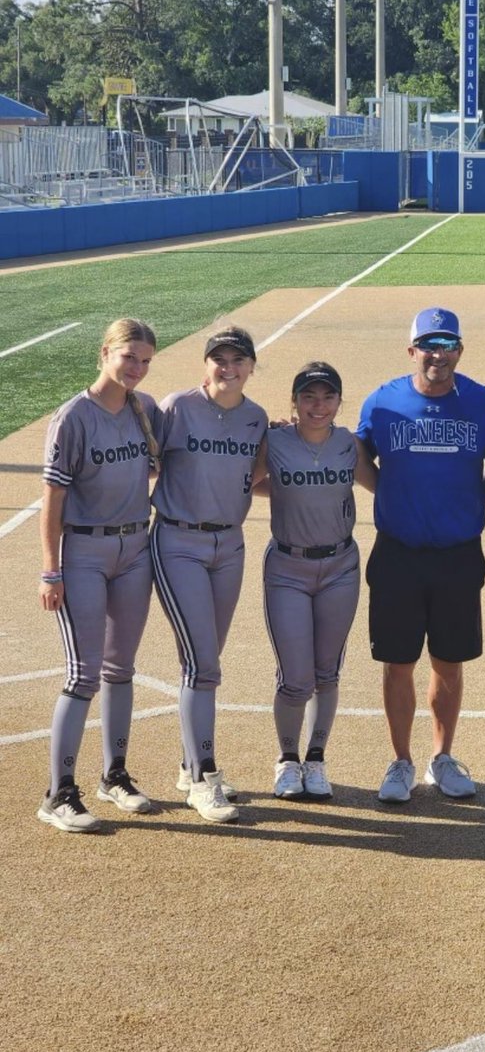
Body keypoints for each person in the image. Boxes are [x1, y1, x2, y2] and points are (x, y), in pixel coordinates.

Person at [357, 306, 485, 803]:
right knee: (397, 662)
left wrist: (463, 500)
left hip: (458, 553)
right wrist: (388, 490)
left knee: (449, 662)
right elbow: (357, 453)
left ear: (459, 350)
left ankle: (442, 757)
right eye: (428, 345)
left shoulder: (482, 402)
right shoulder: (383, 402)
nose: (437, 355)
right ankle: (401, 762)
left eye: (447, 345)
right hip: (397, 552)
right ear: (411, 349)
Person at [37, 318, 159, 833]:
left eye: (145, 360)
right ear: (105, 352)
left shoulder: (144, 410)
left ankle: (115, 775)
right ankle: (59, 793)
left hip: (135, 550)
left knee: (120, 669)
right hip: (84, 552)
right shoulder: (73, 418)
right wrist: (51, 570)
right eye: (128, 356)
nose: (136, 367)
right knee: (82, 674)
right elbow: (53, 501)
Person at [150, 326, 268, 823]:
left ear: (251, 368)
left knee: (203, 661)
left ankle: (187, 765)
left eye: (238, 360)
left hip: (230, 544)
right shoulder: (177, 407)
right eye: (219, 359)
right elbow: (144, 463)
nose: (228, 367)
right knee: (204, 665)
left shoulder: (256, 419)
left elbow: (257, 477)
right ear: (206, 364)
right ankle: (203, 778)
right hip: (178, 542)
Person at [262, 362, 375, 799]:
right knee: (295, 677)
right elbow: (239, 481)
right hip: (288, 568)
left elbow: (385, 487)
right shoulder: (273, 442)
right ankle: (287, 760)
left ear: (339, 402)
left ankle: (316, 758)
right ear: (294, 402)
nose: (318, 405)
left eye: (328, 397)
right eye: (309, 397)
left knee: (327, 672)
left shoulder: (349, 445)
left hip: (340, 568)